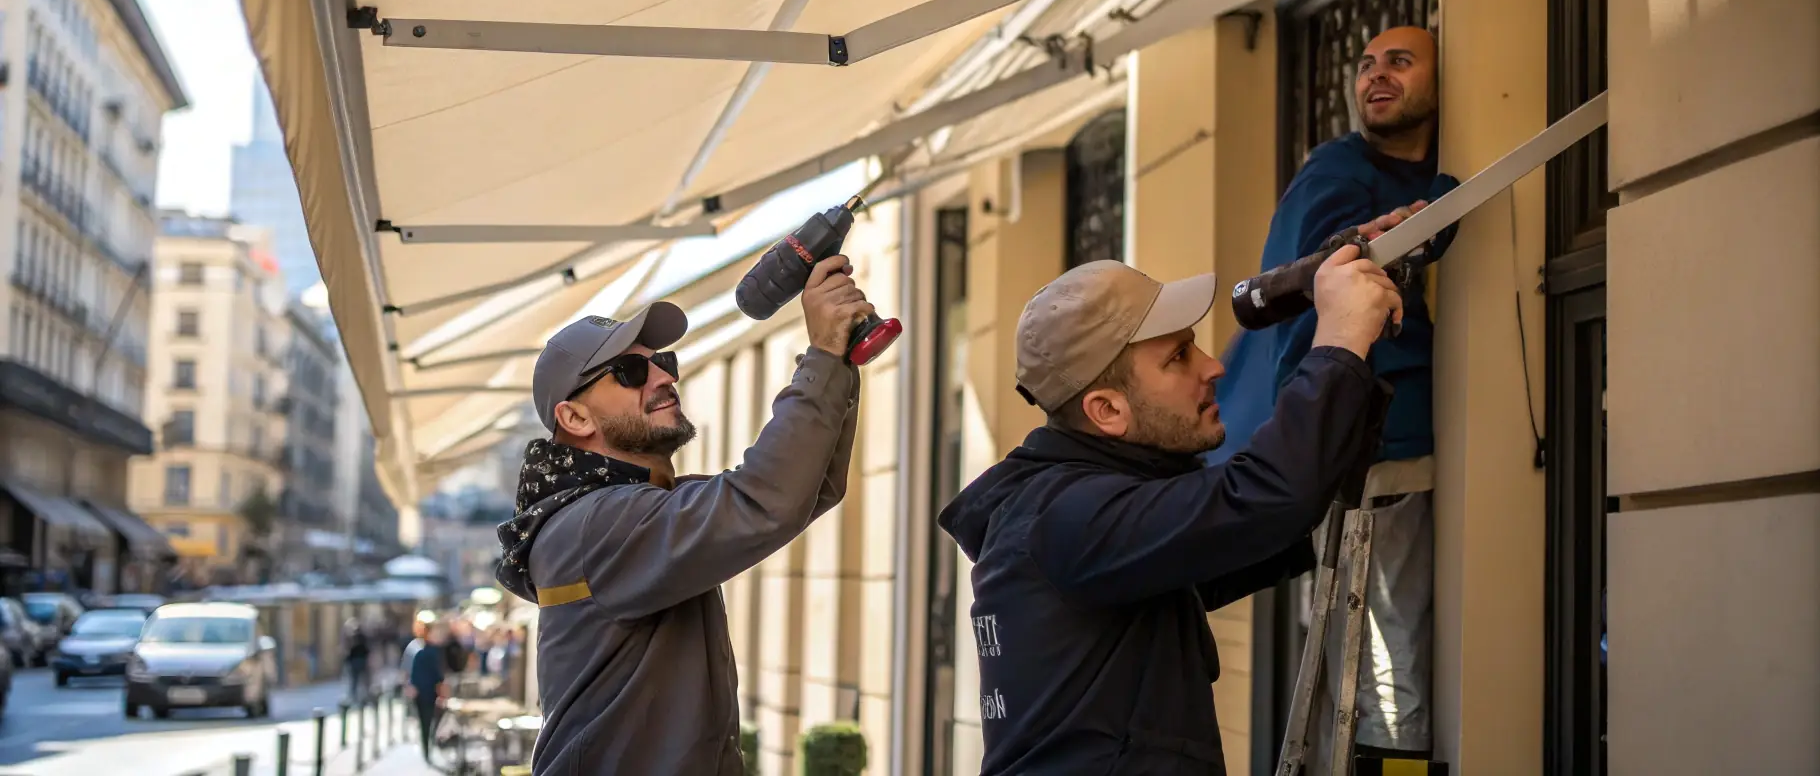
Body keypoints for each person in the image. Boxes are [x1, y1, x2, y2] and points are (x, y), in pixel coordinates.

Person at [938, 238, 1410, 774]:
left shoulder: (1074, 515)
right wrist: (1340, 339)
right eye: (1178, 357)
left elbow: (1279, 520)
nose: (1213, 367)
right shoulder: (1067, 519)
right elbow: (1265, 499)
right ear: (1108, 409)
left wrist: (1355, 320)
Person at [495, 254, 875, 775]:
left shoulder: (630, 510)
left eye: (663, 362)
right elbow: (767, 500)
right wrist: (824, 355)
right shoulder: (597, 524)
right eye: (629, 371)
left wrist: (841, 360)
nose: (662, 376)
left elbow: (810, 489)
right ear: (575, 416)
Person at [1216, 24, 1458, 763]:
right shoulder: (1336, 169)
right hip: (1362, 450)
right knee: (1387, 649)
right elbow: (1329, 263)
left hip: (1358, 443)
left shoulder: (1410, 173)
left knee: (1357, 650)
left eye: (1399, 61)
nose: (1374, 75)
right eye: (1364, 64)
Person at [402, 623, 448, 765]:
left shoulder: (419, 649)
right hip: (424, 691)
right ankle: (427, 747)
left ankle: (427, 747)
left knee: (426, 722)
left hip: (425, 691)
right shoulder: (422, 649)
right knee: (426, 721)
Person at [342, 619, 371, 704]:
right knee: (363, 680)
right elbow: (367, 649)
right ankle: (363, 696)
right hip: (361, 660)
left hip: (355, 661)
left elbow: (348, 650)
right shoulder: (363, 636)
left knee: (355, 681)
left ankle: (354, 697)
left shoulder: (350, 637)